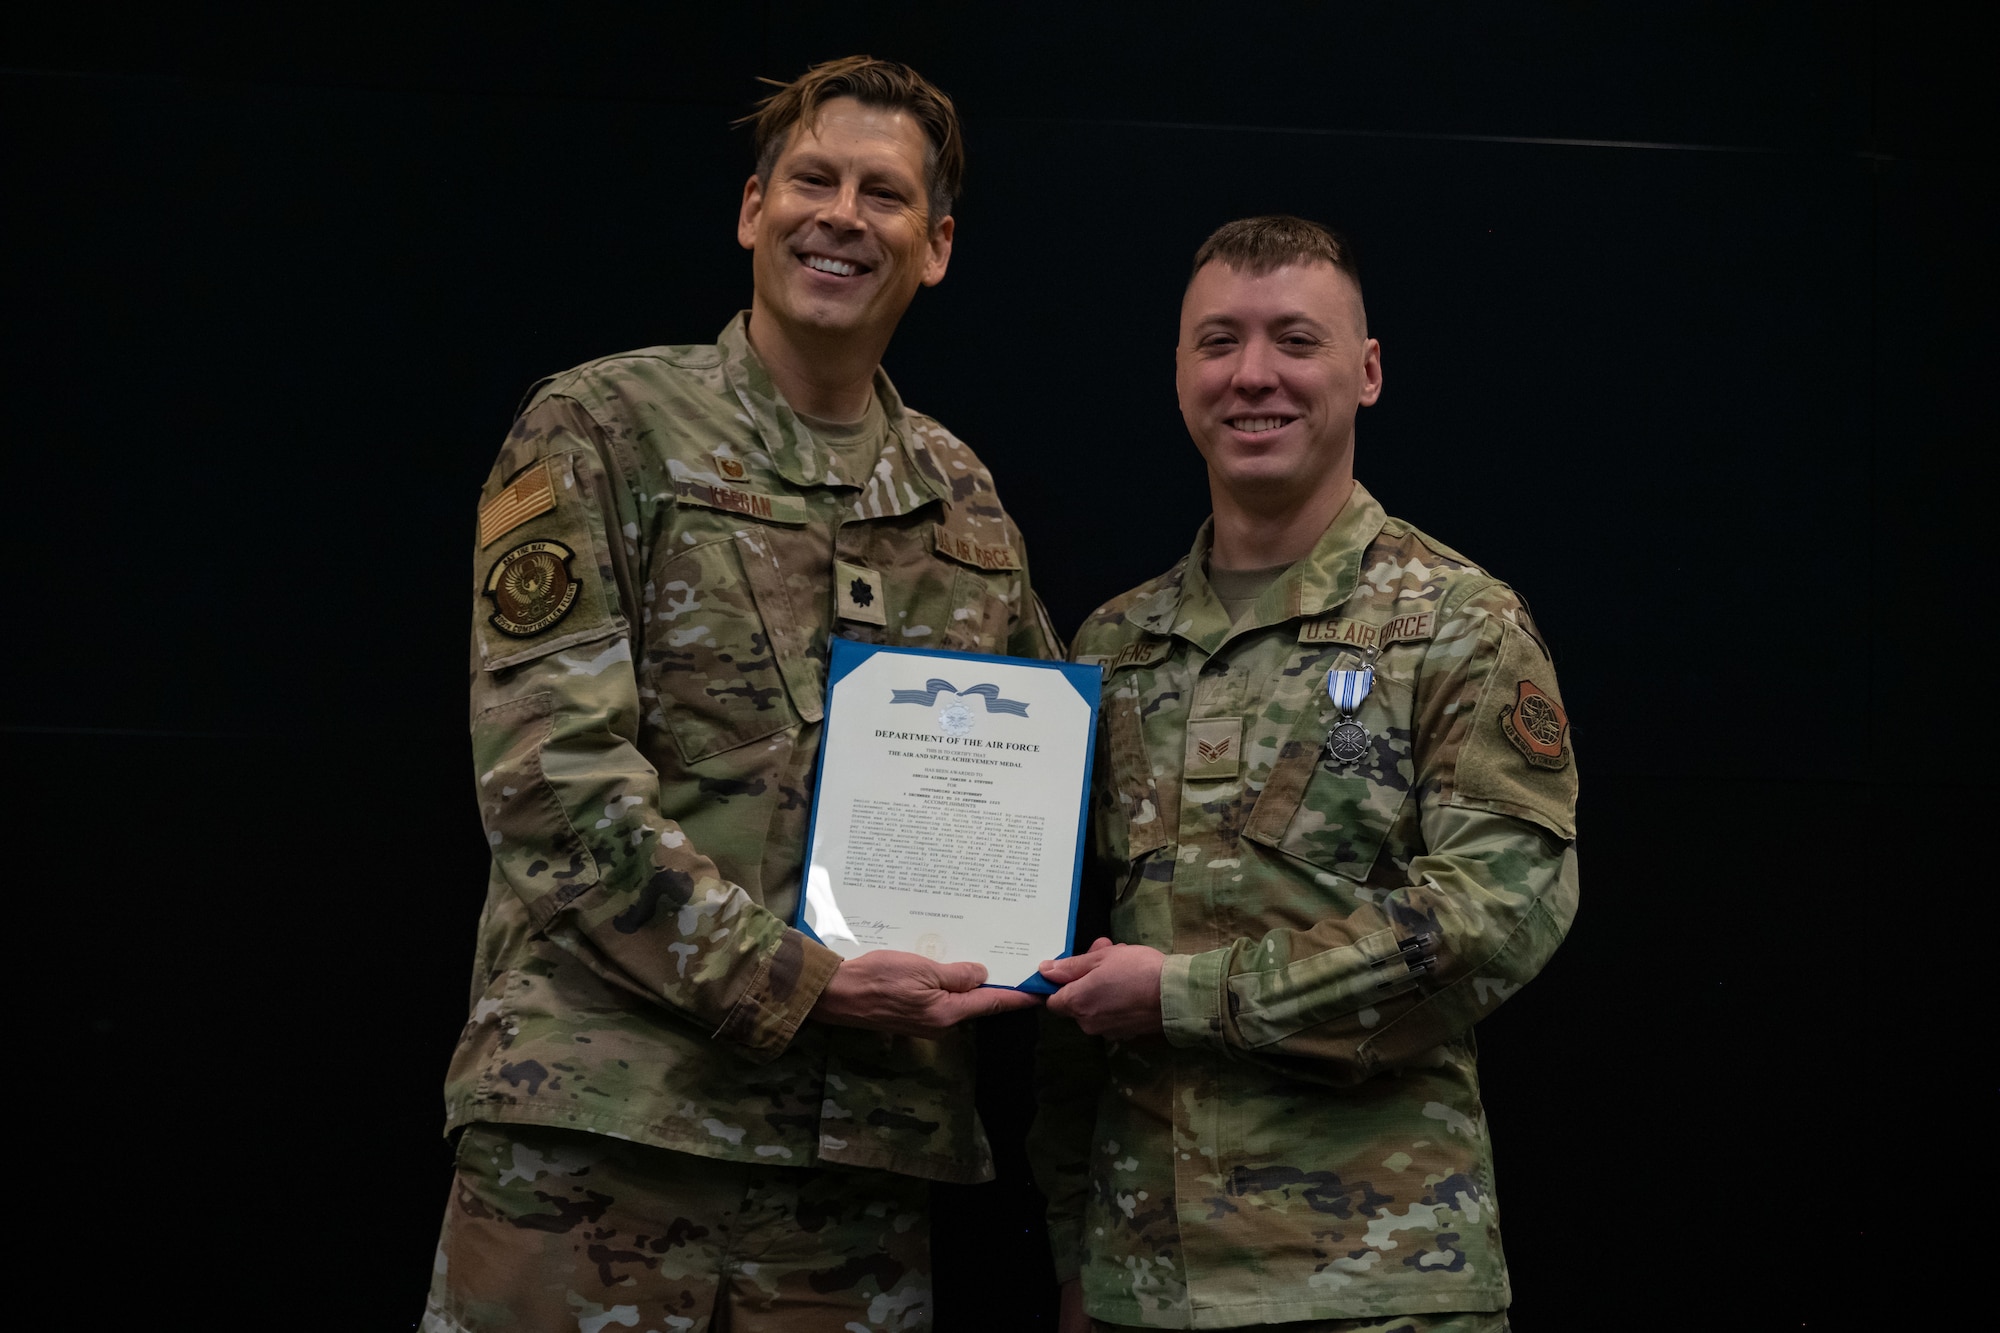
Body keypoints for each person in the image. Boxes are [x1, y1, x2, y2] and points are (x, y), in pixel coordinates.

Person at [423, 56, 1056, 1333]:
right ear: (752, 208)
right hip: (601, 1140)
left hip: (851, 1174)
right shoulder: (601, 428)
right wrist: (798, 982)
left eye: (883, 194)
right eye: (812, 180)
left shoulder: (961, 497)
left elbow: (1036, 781)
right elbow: (550, 786)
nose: (841, 216)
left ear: (934, 248)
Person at [1028, 216, 1579, 1333]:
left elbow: (1497, 914)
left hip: (1377, 1281)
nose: (1252, 375)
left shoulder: (1457, 623)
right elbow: (1068, 958)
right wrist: (1076, 1249)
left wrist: (1187, 995)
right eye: (1217, 341)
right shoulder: (1110, 648)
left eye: (1294, 339)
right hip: (1143, 1278)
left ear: (1366, 371)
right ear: (1178, 374)